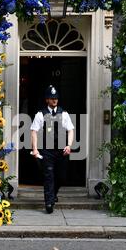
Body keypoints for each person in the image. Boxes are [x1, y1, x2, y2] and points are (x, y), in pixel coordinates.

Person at [30, 85, 75, 214]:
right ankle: (49, 203)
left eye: (56, 98)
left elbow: (70, 130)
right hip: (47, 151)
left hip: (61, 151)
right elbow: (34, 131)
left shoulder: (64, 113)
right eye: (51, 98)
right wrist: (35, 149)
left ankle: (53, 194)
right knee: (49, 176)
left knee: (61, 177)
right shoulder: (40, 114)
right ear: (47, 100)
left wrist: (69, 145)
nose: (54, 100)